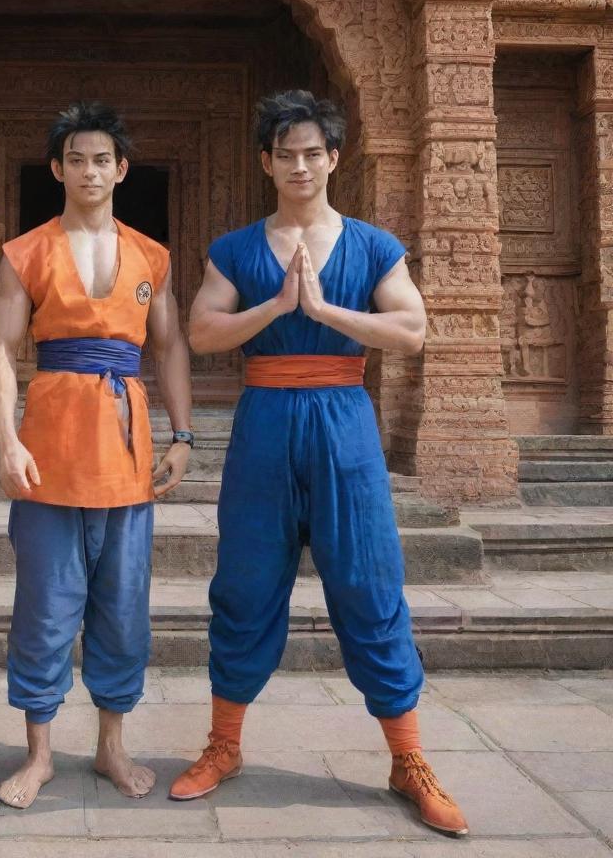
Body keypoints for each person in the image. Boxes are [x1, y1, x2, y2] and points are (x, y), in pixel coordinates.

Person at [169, 90, 468, 837]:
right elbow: (202, 332)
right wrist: (275, 307)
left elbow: (411, 329)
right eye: (285, 152)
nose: (299, 164)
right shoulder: (236, 249)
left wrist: (325, 310)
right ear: (265, 162)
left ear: (334, 158)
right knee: (243, 583)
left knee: (369, 584)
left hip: (344, 420)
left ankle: (408, 762)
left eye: (313, 152)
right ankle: (223, 746)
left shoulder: (373, 246)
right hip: (265, 419)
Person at [0, 101, 193, 809]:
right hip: (50, 452)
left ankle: (111, 745)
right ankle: (39, 754)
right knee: (44, 608)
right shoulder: (25, 252)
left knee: (123, 608)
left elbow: (167, 347)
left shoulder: (150, 255)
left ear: (122, 168)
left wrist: (183, 436)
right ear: (57, 168)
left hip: (127, 455)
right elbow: (0, 351)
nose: (89, 170)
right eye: (76, 159)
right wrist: (7, 438)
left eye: (101, 159)